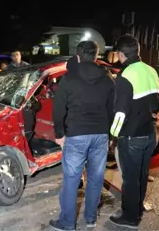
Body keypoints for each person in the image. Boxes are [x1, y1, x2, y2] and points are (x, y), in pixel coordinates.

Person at [50, 41, 114, 231]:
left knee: (71, 180)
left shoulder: (68, 79)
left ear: (78, 56)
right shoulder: (107, 79)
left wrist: (59, 133)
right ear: (96, 56)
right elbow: (112, 109)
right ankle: (90, 218)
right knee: (95, 178)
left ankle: (67, 223)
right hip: (100, 134)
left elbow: (58, 109)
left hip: (76, 134)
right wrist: (110, 134)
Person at [109, 34, 159, 229]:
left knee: (130, 179)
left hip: (131, 137)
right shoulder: (151, 71)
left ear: (121, 55)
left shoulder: (125, 76)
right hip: (150, 134)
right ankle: (137, 209)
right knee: (141, 175)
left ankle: (130, 217)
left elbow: (120, 113)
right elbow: (158, 104)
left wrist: (113, 136)